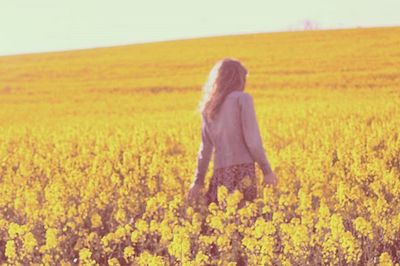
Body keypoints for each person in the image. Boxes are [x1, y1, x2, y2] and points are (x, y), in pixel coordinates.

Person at [187, 57, 278, 207]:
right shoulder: (242, 99)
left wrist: (198, 182)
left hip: (220, 175)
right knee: (245, 220)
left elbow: (205, 150)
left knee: (223, 222)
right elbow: (252, 141)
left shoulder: (209, 106)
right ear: (238, 79)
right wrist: (266, 171)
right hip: (243, 172)